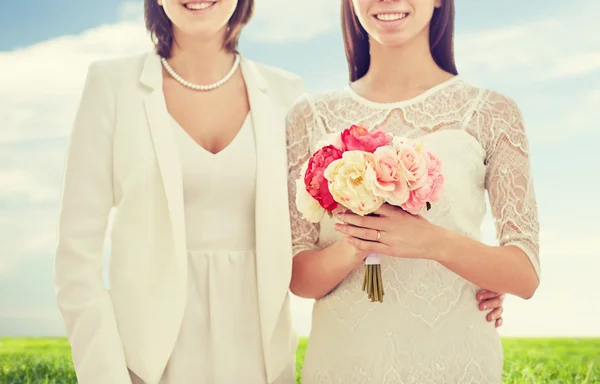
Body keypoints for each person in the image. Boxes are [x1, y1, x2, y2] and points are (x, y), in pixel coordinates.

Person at [286, 0, 540, 382]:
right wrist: (358, 243)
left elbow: (524, 274)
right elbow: (297, 276)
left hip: (455, 358)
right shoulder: (308, 116)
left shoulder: (492, 112)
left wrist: (430, 241)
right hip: (345, 360)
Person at [53, 0, 303, 383]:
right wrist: (107, 374)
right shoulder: (112, 85)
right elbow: (75, 256)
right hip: (147, 365)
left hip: (260, 363)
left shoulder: (287, 94)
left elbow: (309, 237)